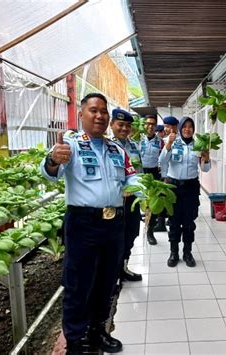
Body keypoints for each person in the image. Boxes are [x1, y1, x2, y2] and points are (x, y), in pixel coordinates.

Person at [41, 93, 139, 354]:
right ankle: (74, 341)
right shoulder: (70, 145)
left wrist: (146, 188)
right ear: (81, 114)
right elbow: (51, 173)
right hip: (83, 223)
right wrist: (53, 159)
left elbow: (131, 179)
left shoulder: (116, 148)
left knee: (107, 280)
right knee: (78, 283)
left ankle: (97, 331)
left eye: (103, 111)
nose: (100, 116)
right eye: (93, 110)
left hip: (114, 223)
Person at [159, 116, 211, 267]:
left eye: (190, 126)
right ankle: (173, 252)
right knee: (174, 222)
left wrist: (206, 158)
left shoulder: (199, 145)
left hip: (191, 188)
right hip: (173, 187)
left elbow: (205, 169)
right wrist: (168, 144)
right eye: (184, 126)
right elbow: (162, 161)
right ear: (180, 128)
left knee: (189, 222)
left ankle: (187, 253)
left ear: (193, 129)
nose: (187, 129)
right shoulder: (173, 142)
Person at [110, 108, 143, 282]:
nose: (124, 128)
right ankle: (112, 276)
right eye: (120, 124)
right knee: (115, 238)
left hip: (133, 200)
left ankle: (123, 268)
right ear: (112, 124)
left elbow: (139, 171)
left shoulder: (133, 146)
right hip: (115, 202)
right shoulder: (107, 146)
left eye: (128, 125)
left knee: (130, 234)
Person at [140, 114, 164, 245]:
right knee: (141, 202)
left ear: (155, 127)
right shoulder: (137, 140)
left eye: (153, 124)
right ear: (144, 125)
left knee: (153, 204)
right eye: (148, 123)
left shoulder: (160, 142)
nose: (150, 126)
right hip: (141, 174)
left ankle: (150, 232)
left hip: (155, 174)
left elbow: (164, 160)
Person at [154, 115, 179, 232]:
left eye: (168, 127)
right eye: (165, 127)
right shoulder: (165, 140)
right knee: (163, 199)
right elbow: (161, 159)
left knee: (167, 200)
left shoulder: (178, 141)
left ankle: (164, 222)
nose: (166, 129)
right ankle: (162, 223)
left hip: (169, 176)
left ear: (175, 127)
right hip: (163, 174)